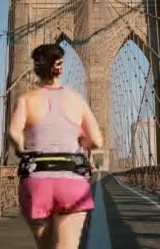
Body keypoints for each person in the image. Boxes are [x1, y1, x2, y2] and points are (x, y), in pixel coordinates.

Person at [9, 43, 103, 249]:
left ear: (37, 69)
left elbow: (14, 133)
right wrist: (81, 142)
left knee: (45, 246)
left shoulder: (26, 99)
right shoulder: (76, 100)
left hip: (36, 181)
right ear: (60, 67)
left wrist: (21, 148)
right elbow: (97, 140)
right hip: (72, 181)